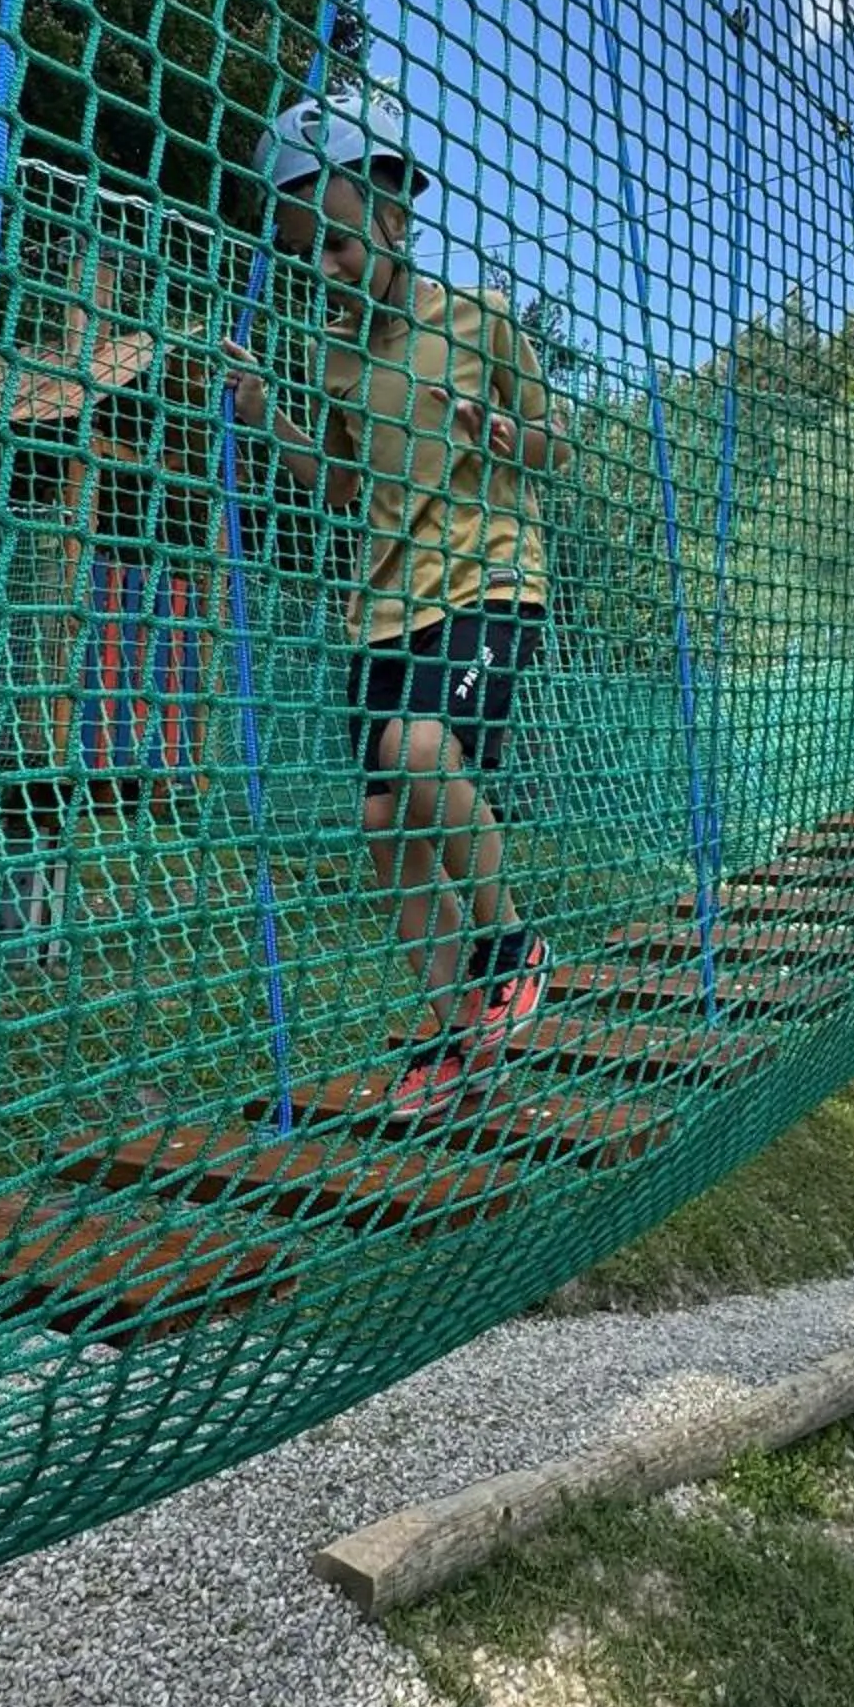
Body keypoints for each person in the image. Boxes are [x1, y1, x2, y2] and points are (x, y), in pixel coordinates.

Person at [224, 79, 567, 1119]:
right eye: (304, 250)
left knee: (418, 751)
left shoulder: (480, 320)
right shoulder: (331, 353)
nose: (324, 267)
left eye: (336, 241)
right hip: (380, 608)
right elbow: (336, 487)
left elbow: (555, 444)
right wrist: (264, 413)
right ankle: (459, 1039)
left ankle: (513, 947)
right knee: (385, 829)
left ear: (395, 214)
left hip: (488, 579)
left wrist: (507, 436)